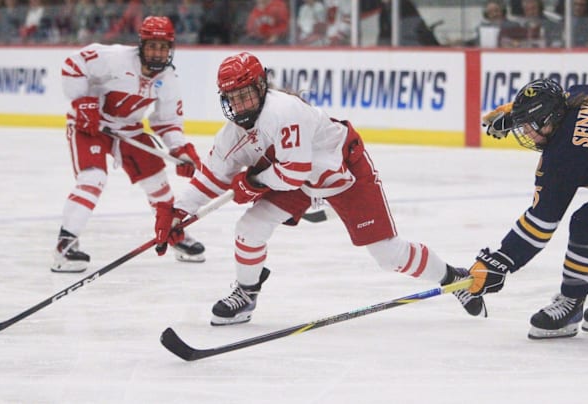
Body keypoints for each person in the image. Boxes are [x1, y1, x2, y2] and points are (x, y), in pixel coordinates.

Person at [154, 51, 486, 326]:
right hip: (292, 176)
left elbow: (293, 174)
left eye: (245, 95)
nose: (240, 105)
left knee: (389, 256)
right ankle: (246, 293)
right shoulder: (231, 135)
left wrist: (252, 183)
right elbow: (212, 177)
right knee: (250, 227)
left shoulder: (283, 112)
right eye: (232, 98)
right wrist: (178, 211)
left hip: (341, 171)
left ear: (260, 85)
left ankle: (453, 278)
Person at [469, 78, 588, 338]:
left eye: (530, 125)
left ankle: (571, 303)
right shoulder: (578, 99)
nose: (526, 133)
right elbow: (585, 88)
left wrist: (502, 261)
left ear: (551, 117)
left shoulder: (566, 155)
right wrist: (515, 113)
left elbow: (541, 224)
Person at [52, 16, 204, 273]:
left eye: (163, 47)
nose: (158, 52)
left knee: (158, 182)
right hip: (92, 124)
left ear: (171, 48)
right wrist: (83, 101)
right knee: (92, 179)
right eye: (152, 46)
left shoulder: (168, 79)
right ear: (141, 45)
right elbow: (73, 64)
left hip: (128, 129)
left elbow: (167, 121)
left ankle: (172, 233)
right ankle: (65, 245)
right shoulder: (115, 58)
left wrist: (178, 149)